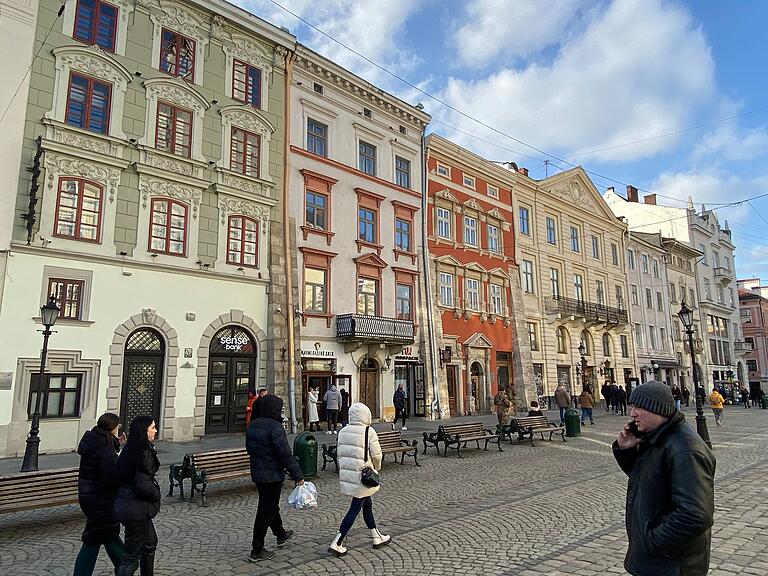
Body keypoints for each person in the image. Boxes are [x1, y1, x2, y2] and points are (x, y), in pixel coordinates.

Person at [613, 380, 716, 576]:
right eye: (632, 406)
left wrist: (652, 541)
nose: (632, 413)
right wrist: (627, 450)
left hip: (672, 565)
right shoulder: (657, 437)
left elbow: (695, 515)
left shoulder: (684, 449)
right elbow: (647, 480)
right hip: (657, 562)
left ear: (658, 409)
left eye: (639, 407)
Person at [246, 394, 304, 562]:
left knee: (269, 504)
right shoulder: (275, 427)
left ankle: (280, 533)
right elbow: (285, 454)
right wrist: (298, 476)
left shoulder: (253, 425)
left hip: (258, 472)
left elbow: (249, 448)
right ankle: (257, 549)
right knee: (266, 510)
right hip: (272, 475)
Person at [328, 402, 390, 556]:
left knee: (366, 504)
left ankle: (376, 536)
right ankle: (337, 541)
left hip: (350, 475)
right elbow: (377, 455)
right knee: (355, 508)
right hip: (364, 476)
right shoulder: (369, 431)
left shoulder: (343, 431)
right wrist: (377, 468)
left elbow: (340, 454)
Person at [73, 413, 125, 576]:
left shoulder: (94, 440)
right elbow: (111, 475)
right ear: (113, 428)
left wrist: (118, 445)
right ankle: (125, 566)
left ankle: (124, 566)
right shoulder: (104, 447)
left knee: (106, 535)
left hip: (90, 497)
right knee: (94, 539)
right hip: (102, 500)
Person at [114, 416, 161, 576]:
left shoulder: (133, 448)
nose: (155, 430)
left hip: (135, 505)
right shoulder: (140, 452)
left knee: (149, 544)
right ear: (144, 431)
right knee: (131, 556)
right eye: (152, 428)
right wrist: (156, 495)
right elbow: (143, 484)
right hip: (134, 507)